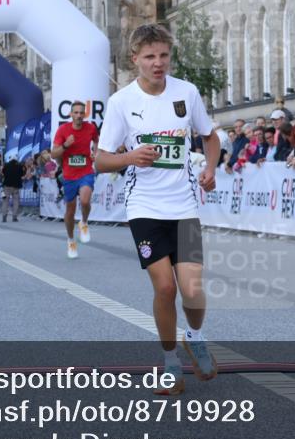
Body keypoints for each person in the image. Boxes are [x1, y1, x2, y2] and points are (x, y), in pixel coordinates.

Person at [94, 23, 221, 396]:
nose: (158, 63)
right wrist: (130, 157)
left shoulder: (186, 92)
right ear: (135, 59)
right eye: (150, 56)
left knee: (193, 289)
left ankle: (194, 337)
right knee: (165, 288)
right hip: (144, 207)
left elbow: (209, 136)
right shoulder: (122, 103)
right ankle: (169, 365)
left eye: (164, 55)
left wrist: (210, 168)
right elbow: (100, 161)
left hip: (183, 205)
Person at [53, 100, 100, 258]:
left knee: (86, 200)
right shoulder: (63, 130)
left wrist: (96, 151)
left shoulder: (90, 128)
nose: (79, 115)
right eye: (76, 113)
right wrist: (66, 145)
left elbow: (97, 140)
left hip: (86, 171)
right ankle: (71, 240)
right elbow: (54, 154)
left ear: (84, 114)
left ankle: (84, 223)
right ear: (71, 114)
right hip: (69, 175)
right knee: (70, 211)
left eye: (81, 113)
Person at [1, 153, 25, 222]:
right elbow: (22, 174)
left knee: (5, 201)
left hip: (7, 185)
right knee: (16, 201)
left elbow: (3, 173)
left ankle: (4, 216)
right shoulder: (19, 166)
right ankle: (14, 216)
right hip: (16, 186)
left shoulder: (6, 165)